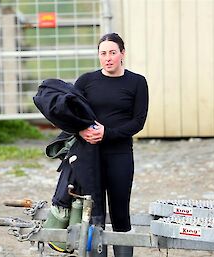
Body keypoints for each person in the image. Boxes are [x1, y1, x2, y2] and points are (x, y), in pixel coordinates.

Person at [75, 33, 149, 257]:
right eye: (103, 53)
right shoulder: (86, 81)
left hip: (120, 155)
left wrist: (108, 133)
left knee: (120, 214)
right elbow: (69, 112)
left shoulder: (137, 82)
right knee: (93, 214)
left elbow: (138, 122)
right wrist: (80, 130)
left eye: (113, 53)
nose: (108, 58)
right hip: (90, 156)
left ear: (122, 54)